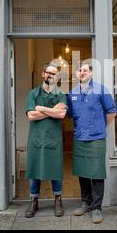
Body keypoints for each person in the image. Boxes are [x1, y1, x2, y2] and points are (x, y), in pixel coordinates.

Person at [67, 63, 117, 224]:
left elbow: (112, 111)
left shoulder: (101, 89)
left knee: (96, 173)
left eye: (85, 70)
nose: (82, 73)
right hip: (80, 137)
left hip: (96, 138)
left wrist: (100, 126)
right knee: (82, 172)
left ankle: (97, 208)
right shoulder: (73, 92)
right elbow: (68, 113)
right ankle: (86, 203)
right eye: (79, 70)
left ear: (91, 73)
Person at [24, 63, 68, 218]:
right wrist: (52, 111)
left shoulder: (61, 95)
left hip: (54, 139)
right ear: (43, 74)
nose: (51, 76)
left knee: (55, 170)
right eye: (49, 73)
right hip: (36, 139)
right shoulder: (33, 93)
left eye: (54, 74)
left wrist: (40, 108)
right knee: (35, 169)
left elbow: (61, 115)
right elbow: (30, 116)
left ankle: (58, 200)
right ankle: (34, 201)